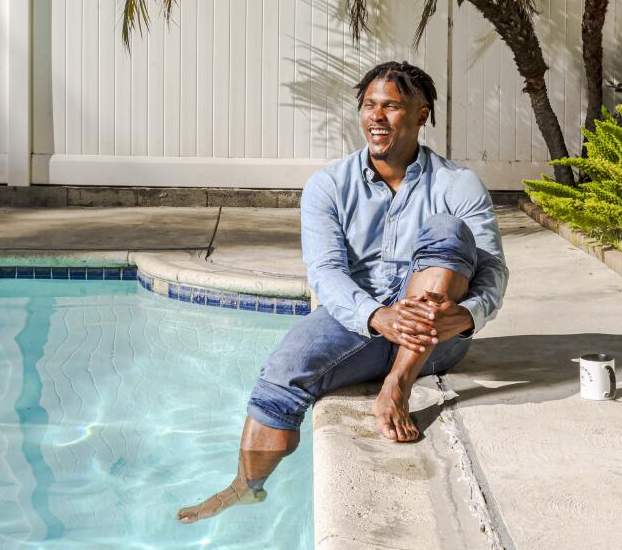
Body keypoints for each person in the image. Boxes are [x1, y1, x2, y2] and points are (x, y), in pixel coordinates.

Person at [177, 60, 509, 524]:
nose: (377, 116)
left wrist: (469, 314)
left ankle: (398, 384)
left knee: (448, 231)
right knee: (284, 371)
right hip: (361, 310)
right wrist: (376, 315)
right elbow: (327, 273)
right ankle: (245, 487)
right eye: (369, 106)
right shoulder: (328, 185)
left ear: (421, 114)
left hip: (439, 330)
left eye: (391, 106)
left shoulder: (458, 183)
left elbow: (492, 268)